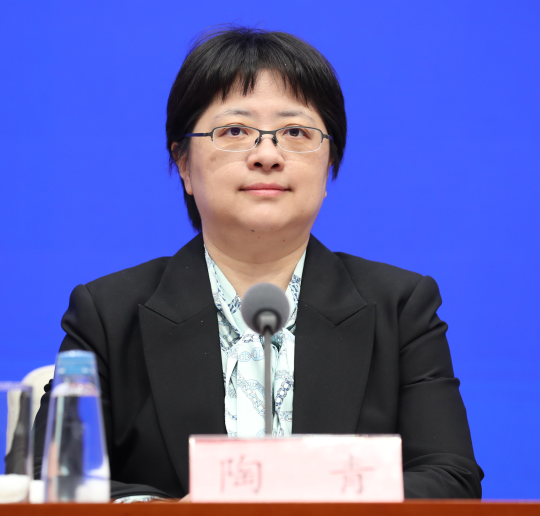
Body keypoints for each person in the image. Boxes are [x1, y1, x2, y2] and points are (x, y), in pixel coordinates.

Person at [33, 27, 483, 501]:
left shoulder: (400, 307)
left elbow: (451, 479)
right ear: (183, 164)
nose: (267, 155)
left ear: (329, 165)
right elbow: (50, 477)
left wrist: (306, 498)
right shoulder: (108, 313)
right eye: (234, 131)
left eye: (295, 133)